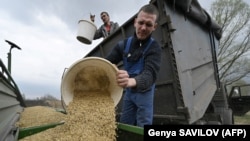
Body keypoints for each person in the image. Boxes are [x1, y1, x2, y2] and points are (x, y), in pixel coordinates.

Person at [105, 4, 161, 127]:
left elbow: (149, 75)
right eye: (141, 22)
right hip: (129, 94)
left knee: (143, 127)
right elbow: (105, 63)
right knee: (126, 124)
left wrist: (130, 81)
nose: (143, 28)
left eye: (149, 24)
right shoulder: (123, 45)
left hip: (145, 94)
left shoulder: (154, 48)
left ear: (154, 27)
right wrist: (108, 69)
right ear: (135, 22)